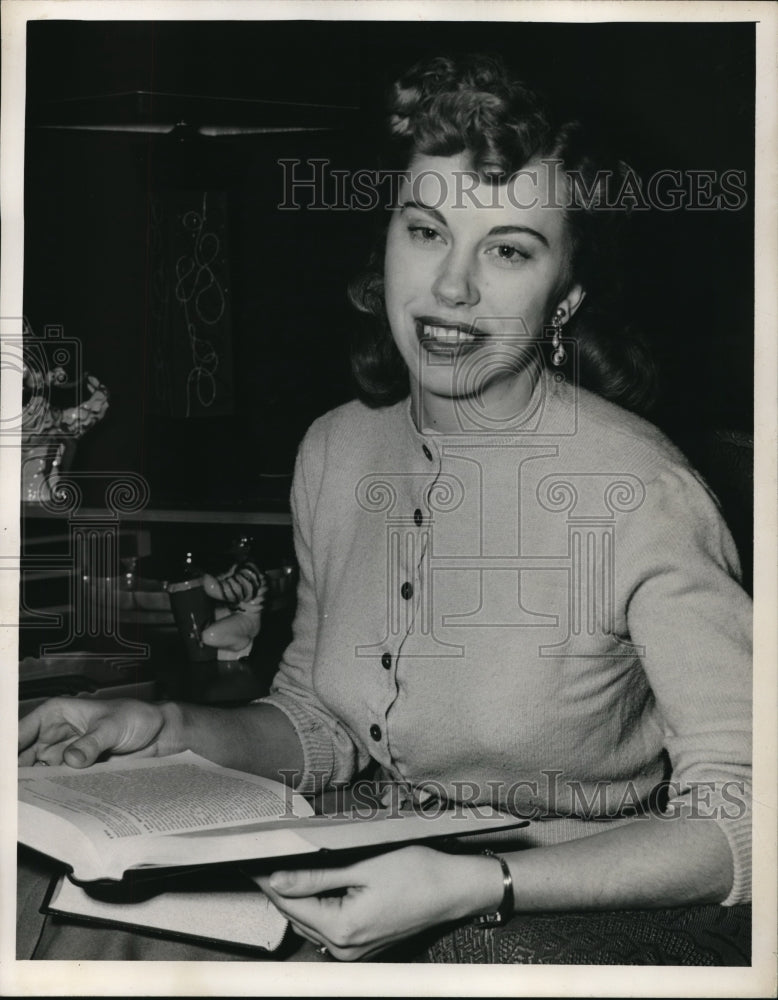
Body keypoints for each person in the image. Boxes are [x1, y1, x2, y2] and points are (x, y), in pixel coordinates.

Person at [18, 54, 751, 964]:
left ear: (568, 294)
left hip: (570, 911)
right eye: (427, 230)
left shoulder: (646, 493)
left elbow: (744, 821)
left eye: (510, 250)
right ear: (387, 241)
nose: (451, 289)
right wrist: (163, 723)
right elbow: (321, 727)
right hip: (370, 857)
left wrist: (481, 884)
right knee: (63, 908)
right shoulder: (337, 449)